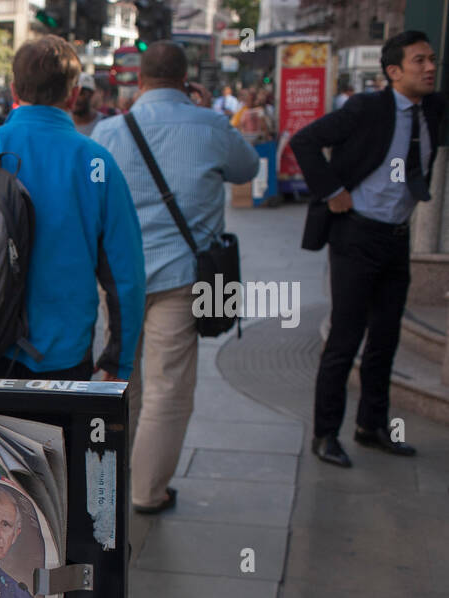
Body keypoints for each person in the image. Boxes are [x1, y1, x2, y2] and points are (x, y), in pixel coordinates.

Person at [0, 35, 145, 383]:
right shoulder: (95, 163)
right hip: (61, 360)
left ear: (15, 91)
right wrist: (117, 360)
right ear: (74, 94)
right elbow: (126, 275)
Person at [94, 42, 259, 514]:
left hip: (120, 280)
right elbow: (247, 167)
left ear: (139, 80)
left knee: (122, 378)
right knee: (169, 387)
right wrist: (205, 112)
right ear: (188, 81)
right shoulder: (211, 124)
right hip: (185, 278)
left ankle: (107, 486)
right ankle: (148, 492)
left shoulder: (109, 131)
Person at [289, 30, 442, 468]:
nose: (430, 67)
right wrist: (332, 190)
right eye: (419, 61)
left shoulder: (433, 108)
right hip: (356, 236)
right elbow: (304, 141)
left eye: (432, 59)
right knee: (345, 339)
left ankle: (371, 426)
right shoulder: (367, 107)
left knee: (386, 337)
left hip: (397, 238)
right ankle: (325, 434)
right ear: (394, 71)